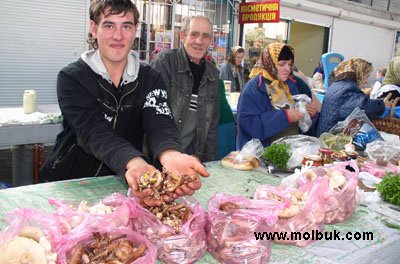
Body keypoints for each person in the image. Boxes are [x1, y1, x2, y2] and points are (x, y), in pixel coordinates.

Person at [40, 0, 209, 206]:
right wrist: (134, 161)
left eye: (126, 26)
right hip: (72, 184)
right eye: (109, 25)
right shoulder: (72, 78)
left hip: (123, 185)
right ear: (94, 28)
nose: (118, 36)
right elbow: (93, 131)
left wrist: (171, 155)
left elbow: (160, 122)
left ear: (135, 30)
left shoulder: (150, 78)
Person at [150, 15, 220, 162]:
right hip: (157, 157)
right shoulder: (165, 62)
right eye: (194, 34)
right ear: (183, 36)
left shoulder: (213, 74)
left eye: (205, 36)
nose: (199, 41)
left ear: (210, 41)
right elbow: (153, 116)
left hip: (190, 160)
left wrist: (209, 163)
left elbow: (211, 129)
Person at [236, 43, 319, 149]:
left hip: (290, 152)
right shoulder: (254, 88)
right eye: (282, 64)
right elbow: (249, 126)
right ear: (269, 63)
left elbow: (302, 126)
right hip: (261, 155)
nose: (287, 69)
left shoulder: (290, 85)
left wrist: (308, 114)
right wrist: (285, 116)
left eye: (289, 64)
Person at [316, 58, 392, 136]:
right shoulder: (346, 88)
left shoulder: (340, 84)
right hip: (331, 138)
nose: (366, 81)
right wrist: (382, 105)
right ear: (359, 73)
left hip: (328, 133)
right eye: (366, 76)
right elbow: (363, 107)